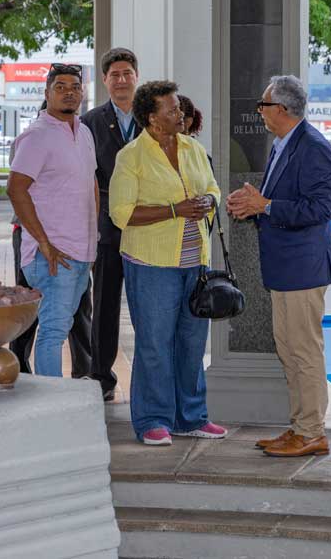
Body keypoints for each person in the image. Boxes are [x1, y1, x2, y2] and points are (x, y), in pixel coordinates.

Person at [227, 75, 331, 458]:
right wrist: (255, 203)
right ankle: (300, 427)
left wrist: (266, 206)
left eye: (263, 105)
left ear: (281, 109)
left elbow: (321, 209)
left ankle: (312, 432)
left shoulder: (313, 147)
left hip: (304, 269)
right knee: (289, 349)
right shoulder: (283, 144)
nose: (259, 112)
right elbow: (279, 201)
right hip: (286, 268)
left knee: (304, 352)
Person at [109, 80, 226, 446]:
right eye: (172, 109)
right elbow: (120, 213)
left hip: (196, 263)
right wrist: (175, 210)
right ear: (152, 118)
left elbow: (213, 188)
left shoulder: (193, 148)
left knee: (192, 343)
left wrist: (209, 201)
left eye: (180, 108)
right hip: (151, 264)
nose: (181, 114)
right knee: (155, 345)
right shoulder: (131, 156)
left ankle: (191, 417)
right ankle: (153, 419)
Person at [7, 65, 98, 377]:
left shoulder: (84, 132)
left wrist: (94, 240)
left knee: (63, 324)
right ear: (47, 93)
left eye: (75, 86)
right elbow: (16, 189)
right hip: (52, 255)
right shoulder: (36, 136)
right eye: (60, 87)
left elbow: (91, 184)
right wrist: (44, 243)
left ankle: (52, 395)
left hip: (81, 252)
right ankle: (51, 399)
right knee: (53, 332)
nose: (69, 92)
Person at [81, 47, 141, 401]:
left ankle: (149, 378)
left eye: (127, 73)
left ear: (136, 77)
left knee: (148, 304)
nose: (121, 80)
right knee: (104, 305)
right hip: (107, 227)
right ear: (105, 80)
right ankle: (101, 376)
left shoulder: (152, 115)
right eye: (114, 74)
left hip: (148, 225)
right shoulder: (90, 122)